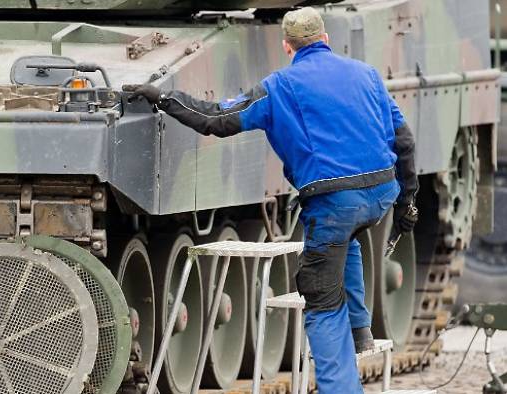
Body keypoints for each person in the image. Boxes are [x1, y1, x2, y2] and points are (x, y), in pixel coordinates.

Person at [124, 6, 419, 393]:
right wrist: (407, 204)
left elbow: (216, 119)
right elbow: (405, 141)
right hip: (381, 193)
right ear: (325, 39)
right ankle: (360, 327)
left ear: (286, 46)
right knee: (343, 238)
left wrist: (163, 99)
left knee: (321, 298)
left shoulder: (279, 88)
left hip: (334, 203)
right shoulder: (367, 75)